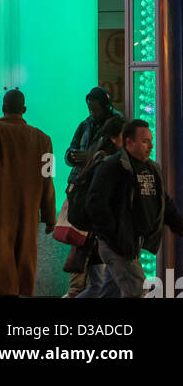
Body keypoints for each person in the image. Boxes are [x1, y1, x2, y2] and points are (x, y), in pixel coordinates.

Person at [84, 119, 183, 298]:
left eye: (151, 141)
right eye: (145, 141)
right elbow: (95, 203)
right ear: (129, 142)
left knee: (111, 292)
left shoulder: (152, 168)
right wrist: (114, 236)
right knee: (138, 290)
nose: (150, 145)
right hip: (118, 245)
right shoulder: (112, 166)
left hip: (131, 243)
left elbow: (163, 203)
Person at [0, 88, 56, 298]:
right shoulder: (44, 139)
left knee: (0, 266)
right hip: (28, 214)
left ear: (3, 108)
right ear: (24, 109)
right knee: (23, 264)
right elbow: (48, 180)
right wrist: (50, 217)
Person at [68, 116, 125, 299]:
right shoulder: (107, 162)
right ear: (114, 138)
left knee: (100, 285)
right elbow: (99, 200)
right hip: (101, 235)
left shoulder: (98, 157)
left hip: (97, 234)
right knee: (101, 286)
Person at [65, 87, 123, 188]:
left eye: (96, 110)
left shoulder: (118, 127)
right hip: (80, 184)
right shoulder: (84, 125)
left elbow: (122, 157)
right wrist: (72, 156)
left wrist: (93, 157)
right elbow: (69, 152)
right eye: (90, 110)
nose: (92, 113)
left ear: (107, 107)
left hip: (104, 184)